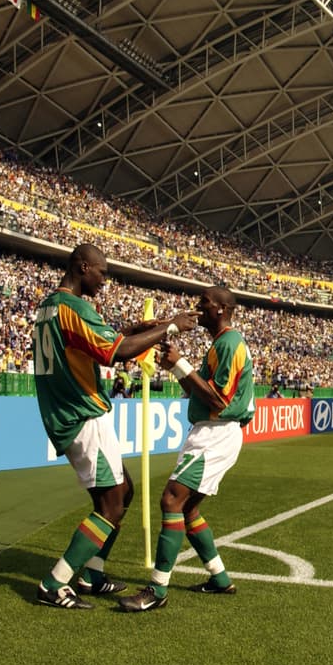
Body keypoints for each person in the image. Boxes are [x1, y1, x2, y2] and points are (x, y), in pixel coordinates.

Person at [32, 243, 199, 610]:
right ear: (81, 267)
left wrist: (135, 329)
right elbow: (117, 352)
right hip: (82, 413)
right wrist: (170, 326)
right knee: (111, 504)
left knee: (123, 493)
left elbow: (92, 344)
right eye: (101, 272)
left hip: (68, 411)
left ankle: (92, 573)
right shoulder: (73, 307)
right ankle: (55, 582)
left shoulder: (49, 307)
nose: (104, 280)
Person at [120, 286, 253, 612]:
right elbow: (198, 391)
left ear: (221, 309)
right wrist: (176, 365)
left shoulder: (230, 344)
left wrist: (182, 364)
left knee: (171, 500)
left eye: (204, 302)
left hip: (216, 433)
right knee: (188, 509)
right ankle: (220, 579)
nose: (198, 306)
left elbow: (218, 400)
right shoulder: (219, 344)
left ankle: (157, 590)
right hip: (211, 431)